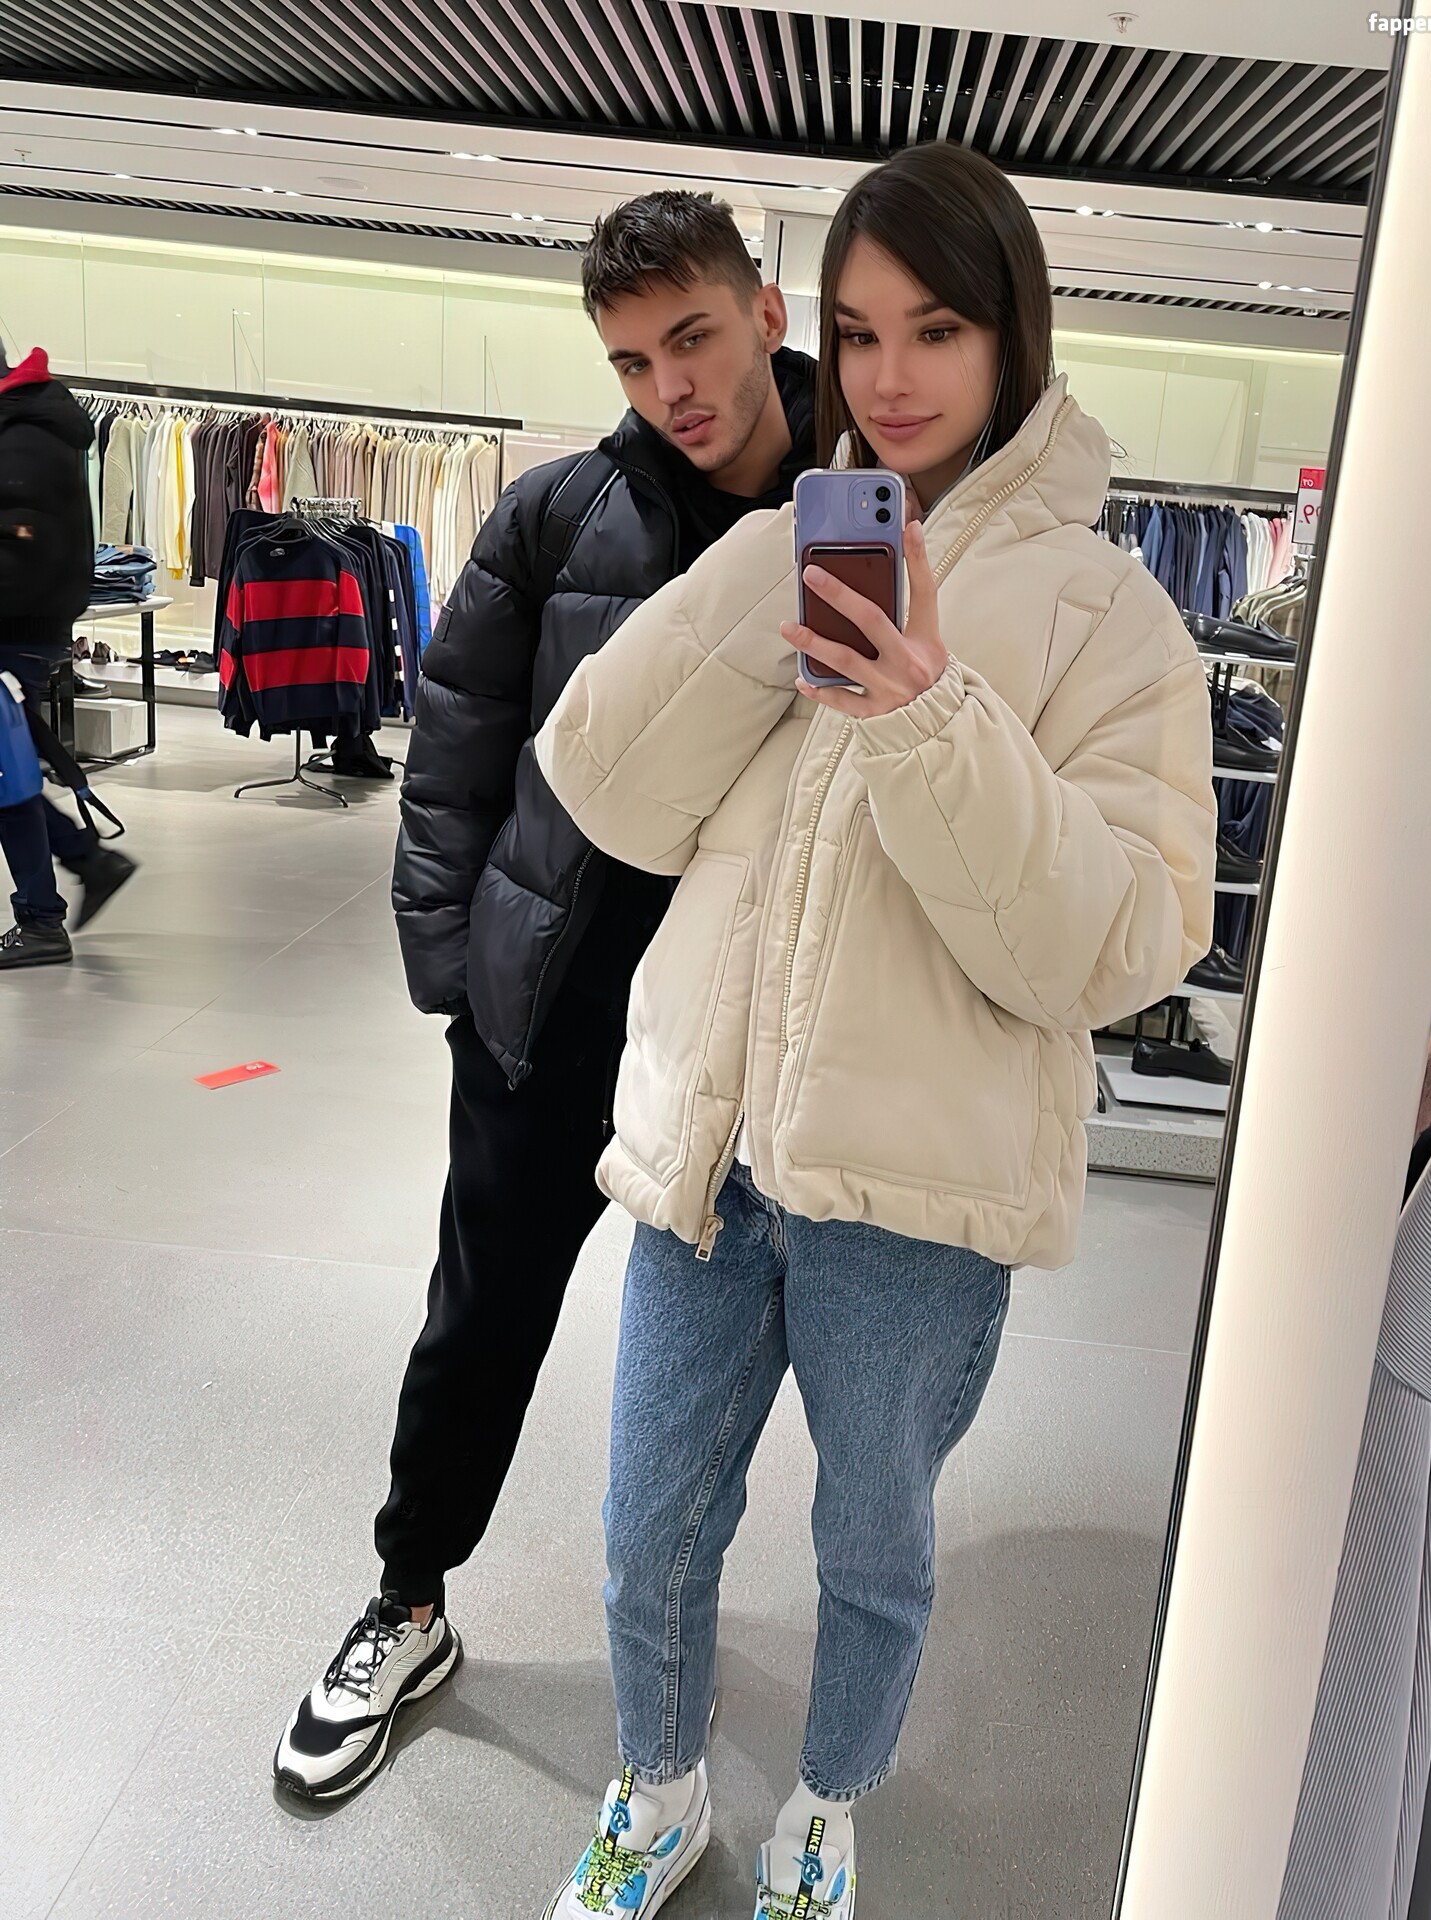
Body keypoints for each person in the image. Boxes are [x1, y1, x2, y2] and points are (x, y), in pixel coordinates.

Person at [538, 140, 1217, 1918]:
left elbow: (1119, 946)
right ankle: (656, 1788)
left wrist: (926, 708)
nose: (890, 376)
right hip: (712, 1148)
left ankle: (824, 1813)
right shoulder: (785, 541)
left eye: (935, 329)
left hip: (914, 1200)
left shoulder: (1113, 621)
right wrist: (772, 581)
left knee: (871, 1548)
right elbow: (601, 785)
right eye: (853, 332)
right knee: (646, 1523)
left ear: (1011, 337)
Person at [273, 191, 818, 1800]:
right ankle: (406, 1600)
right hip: (558, 1011)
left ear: (766, 312)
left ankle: (690, 1656)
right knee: (481, 1319)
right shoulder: (554, 516)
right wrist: (459, 976)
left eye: (692, 338)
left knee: (740, 1372)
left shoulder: (868, 509)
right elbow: (453, 754)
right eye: (633, 360)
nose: (670, 386)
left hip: (754, 1037)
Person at [0, 342, 136, 967]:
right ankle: (86, 863)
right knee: (10, 765)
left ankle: (43, 916)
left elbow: (22, 546)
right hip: (27, 626)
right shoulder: (31, 424)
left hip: (15, 629)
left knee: (7, 775)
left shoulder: (22, 436)